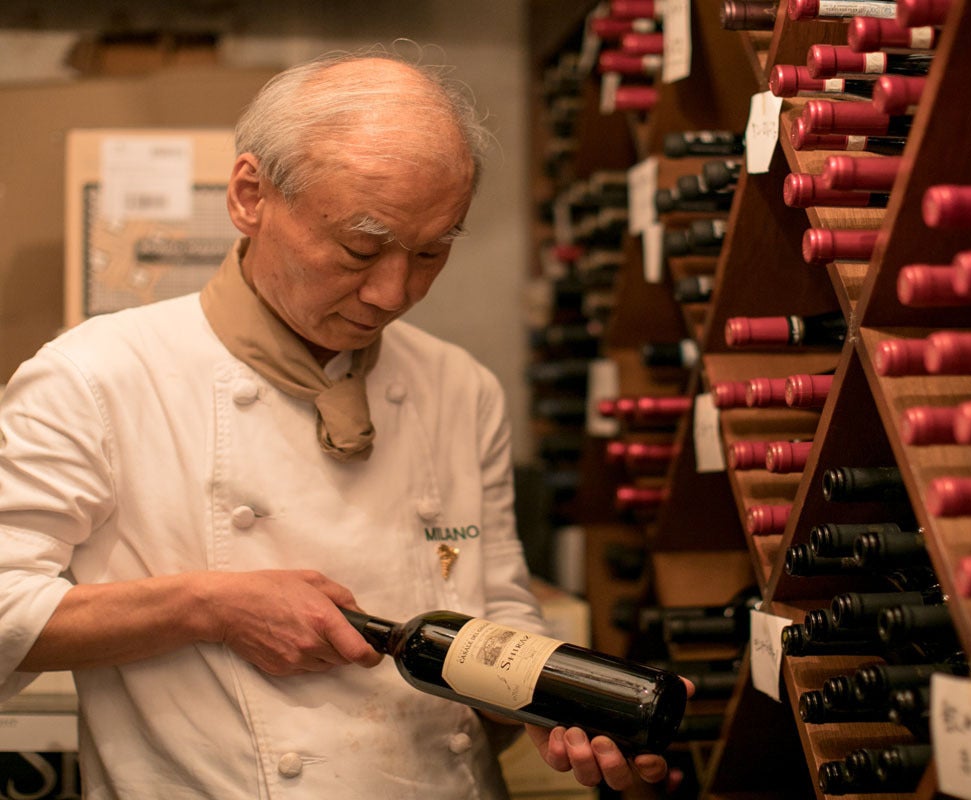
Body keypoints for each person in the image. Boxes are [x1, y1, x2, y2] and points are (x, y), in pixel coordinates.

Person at [0, 48, 685, 798]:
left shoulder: (459, 386)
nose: (393, 292)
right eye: (361, 249)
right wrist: (207, 606)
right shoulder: (97, 377)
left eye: (431, 252)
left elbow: (497, 605)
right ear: (250, 196)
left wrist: (550, 705)